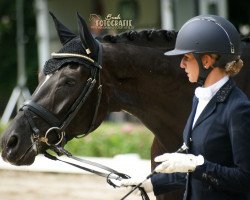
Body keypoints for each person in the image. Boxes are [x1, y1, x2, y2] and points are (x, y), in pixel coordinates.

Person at [121, 15, 250, 200]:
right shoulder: (200, 100)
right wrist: (150, 184)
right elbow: (195, 174)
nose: (181, 64)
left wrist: (195, 166)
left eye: (186, 57)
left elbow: (245, 179)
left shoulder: (238, 109)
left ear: (206, 61)